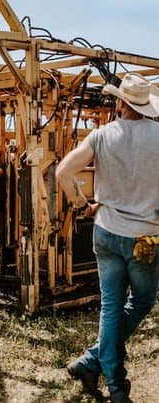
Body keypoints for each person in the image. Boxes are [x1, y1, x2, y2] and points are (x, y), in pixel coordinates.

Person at [56, 73, 159, 403]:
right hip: (146, 237)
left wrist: (83, 204)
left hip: (106, 231)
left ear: (119, 102)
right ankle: (103, 374)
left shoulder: (101, 135)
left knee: (111, 307)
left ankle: (105, 376)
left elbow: (63, 173)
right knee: (142, 301)